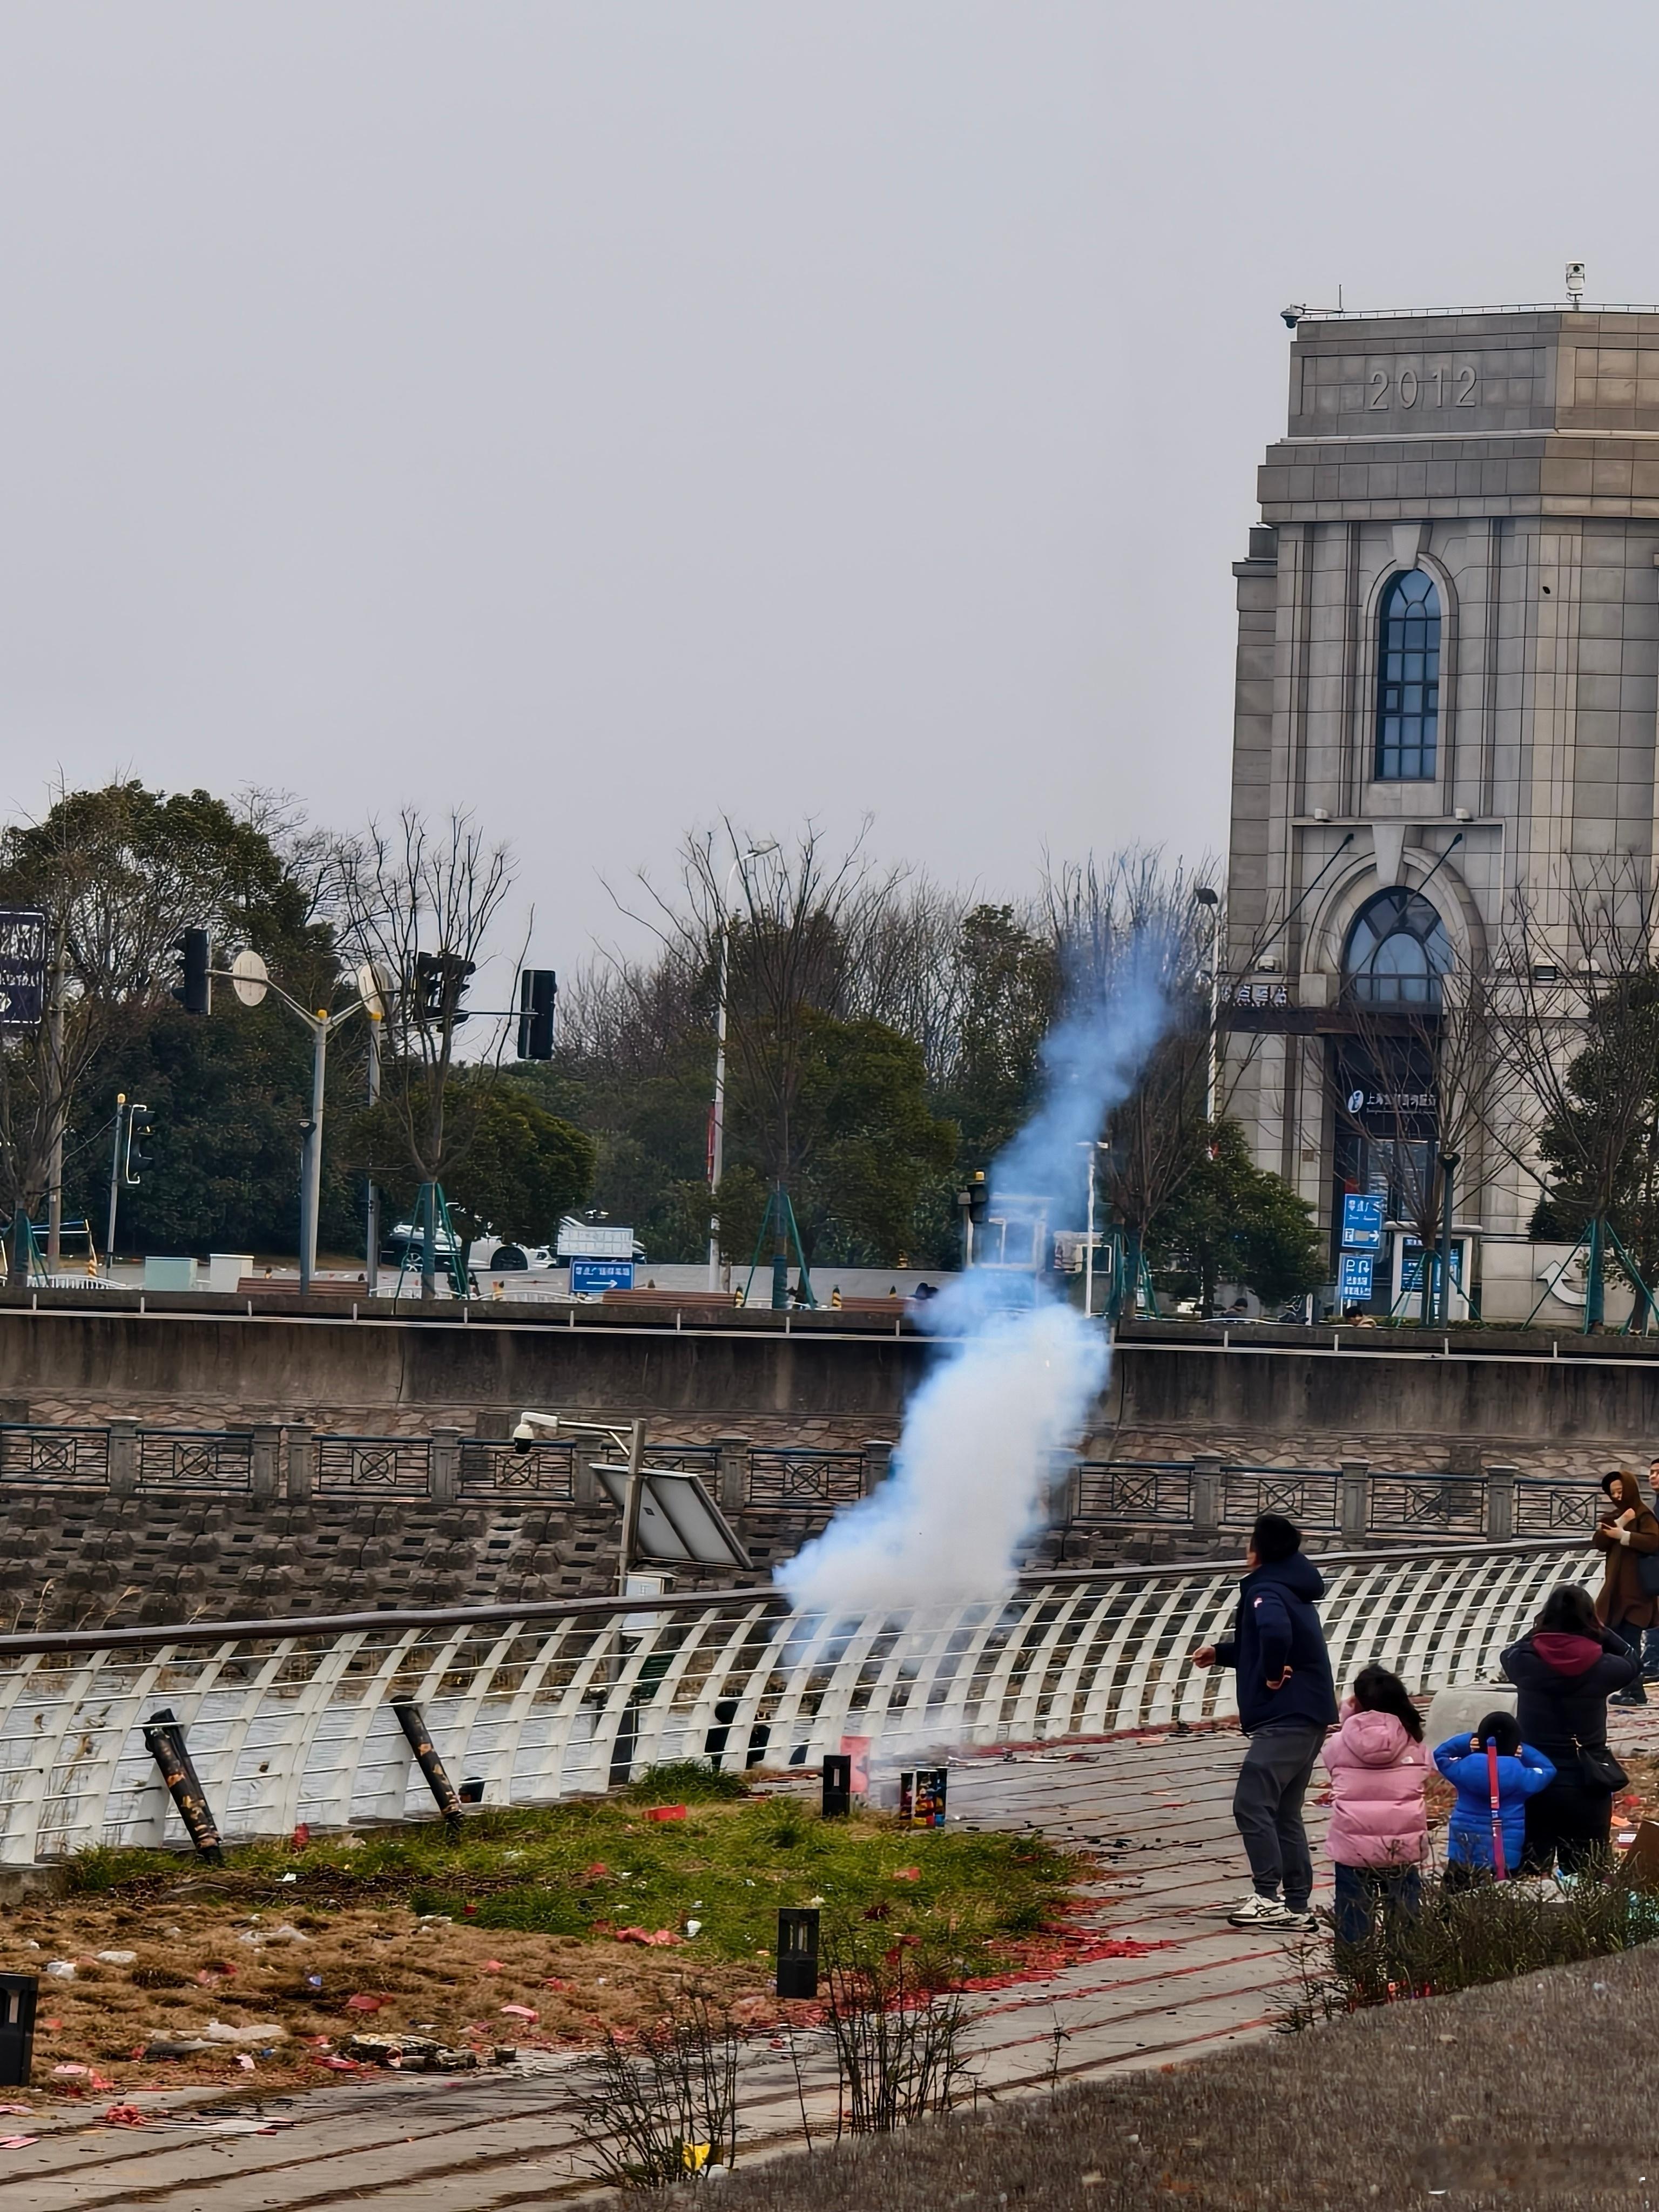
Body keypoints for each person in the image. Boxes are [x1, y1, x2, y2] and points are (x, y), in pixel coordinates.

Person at [1193, 1513, 1337, 1932]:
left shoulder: (1267, 1589)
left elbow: (1274, 1634)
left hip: (1287, 1717)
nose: (1245, 1549)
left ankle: (1267, 1896)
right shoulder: (1292, 1587)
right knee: (1284, 1812)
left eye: (1250, 1541)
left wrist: (1274, 1674)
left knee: (1252, 1802)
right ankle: (1295, 1906)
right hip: (1308, 1715)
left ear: (1262, 1549)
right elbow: (1264, 1642)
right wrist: (1220, 1654)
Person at [1502, 1584, 1637, 1874]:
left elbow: (1509, 1653)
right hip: (1587, 1780)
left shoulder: (1525, 1662)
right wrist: (1601, 1631)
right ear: (1590, 1620)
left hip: (1533, 1779)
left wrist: (1540, 1629)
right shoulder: (1605, 1667)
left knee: (1527, 1877)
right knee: (1587, 1876)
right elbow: (1632, 1661)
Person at [1320, 1662, 1429, 1944]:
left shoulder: (1339, 1743)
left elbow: (1333, 1766)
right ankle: (1406, 1972)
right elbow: (1424, 1773)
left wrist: (1349, 1717)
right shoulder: (1413, 1741)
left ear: (1356, 1702)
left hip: (1354, 1847)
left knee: (1353, 1916)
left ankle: (1357, 1974)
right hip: (1401, 1847)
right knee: (1405, 1915)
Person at [1431, 1710, 1555, 1884]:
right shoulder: (1522, 1777)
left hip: (1463, 1851)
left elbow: (1441, 1754)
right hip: (1503, 1857)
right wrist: (1522, 1749)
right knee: (1499, 1902)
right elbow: (1549, 1769)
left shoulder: (1465, 1769)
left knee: (1456, 1897)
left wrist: (1469, 1742)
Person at [1591, 1469, 1659, 1705]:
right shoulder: (1615, 1516)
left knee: (1630, 1640)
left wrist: (1625, 1535)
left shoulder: (1645, 1516)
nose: (1618, 1496)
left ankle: (1635, 1691)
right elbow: (1599, 1542)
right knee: (1620, 1641)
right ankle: (1631, 1688)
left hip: (1637, 1593)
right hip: (1616, 1593)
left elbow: (1653, 1542)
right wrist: (1619, 1524)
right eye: (1613, 1493)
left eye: (1621, 1491)